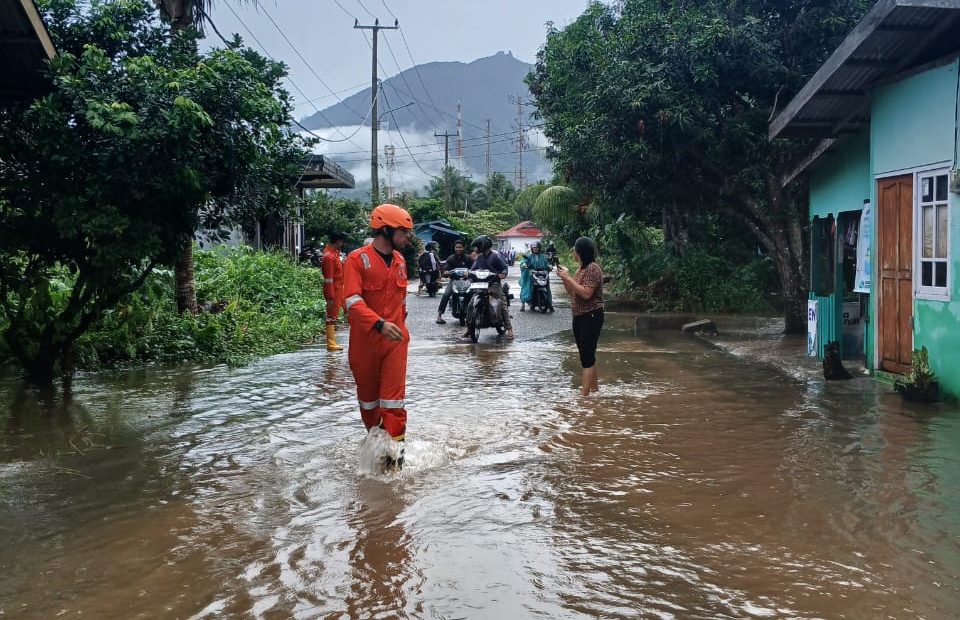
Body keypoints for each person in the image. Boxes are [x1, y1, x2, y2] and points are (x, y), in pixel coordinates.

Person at [343, 203, 415, 471]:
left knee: (394, 404)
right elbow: (351, 301)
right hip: (365, 344)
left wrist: (397, 329)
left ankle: (396, 461)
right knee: (369, 404)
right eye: (403, 233)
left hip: (395, 342)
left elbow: (401, 302)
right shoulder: (356, 260)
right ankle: (378, 452)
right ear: (386, 230)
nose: (407, 239)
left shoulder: (400, 261)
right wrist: (378, 324)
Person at [556, 237, 604, 396]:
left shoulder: (593, 268)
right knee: (587, 354)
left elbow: (586, 294)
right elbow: (573, 293)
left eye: (574, 249)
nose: (572, 252)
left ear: (580, 252)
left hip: (591, 315)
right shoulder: (581, 270)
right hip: (579, 316)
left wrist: (569, 277)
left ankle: (584, 397)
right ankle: (595, 391)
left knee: (587, 357)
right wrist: (565, 279)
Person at [463, 234, 514, 341]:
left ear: (483, 245)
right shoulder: (479, 257)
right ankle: (469, 328)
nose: (476, 248)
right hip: (480, 284)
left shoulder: (496, 255)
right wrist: (468, 273)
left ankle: (510, 330)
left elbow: (504, 268)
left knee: (502, 305)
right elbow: (473, 268)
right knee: (471, 304)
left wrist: (502, 274)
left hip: (493, 284)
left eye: (477, 246)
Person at [436, 239, 472, 324]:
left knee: (474, 294)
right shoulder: (451, 258)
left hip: (466, 281)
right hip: (454, 281)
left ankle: (475, 314)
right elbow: (446, 269)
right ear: (454, 248)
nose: (458, 249)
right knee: (446, 294)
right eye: (457, 247)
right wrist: (446, 272)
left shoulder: (468, 258)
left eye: (460, 247)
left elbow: (473, 268)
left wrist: (471, 272)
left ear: (463, 248)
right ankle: (439, 316)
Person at [321, 232, 347, 351]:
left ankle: (332, 342)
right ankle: (331, 343)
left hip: (338, 288)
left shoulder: (334, 254)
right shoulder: (329, 257)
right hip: (334, 290)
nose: (343, 244)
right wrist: (330, 296)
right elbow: (328, 279)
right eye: (342, 241)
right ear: (338, 241)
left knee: (342, 311)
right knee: (331, 314)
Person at [519, 241, 554, 313]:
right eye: (534, 247)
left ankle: (549, 304)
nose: (535, 249)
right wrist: (524, 264)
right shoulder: (529, 256)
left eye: (537, 247)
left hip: (542, 273)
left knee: (547, 287)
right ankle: (523, 304)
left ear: (539, 248)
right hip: (532, 273)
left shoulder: (543, 256)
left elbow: (547, 263)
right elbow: (524, 261)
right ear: (532, 248)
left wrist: (550, 266)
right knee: (527, 286)